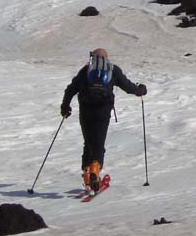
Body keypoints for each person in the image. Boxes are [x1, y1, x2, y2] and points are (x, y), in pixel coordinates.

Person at [61, 48, 146, 191]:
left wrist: (65, 107)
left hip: (86, 110)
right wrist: (141, 90)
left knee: (88, 142)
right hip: (103, 111)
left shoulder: (86, 70)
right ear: (106, 58)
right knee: (99, 141)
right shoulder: (113, 70)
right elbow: (129, 87)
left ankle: (87, 175)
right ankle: (95, 170)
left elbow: (70, 89)